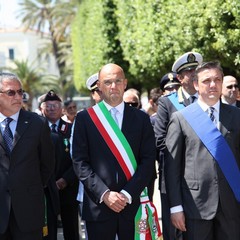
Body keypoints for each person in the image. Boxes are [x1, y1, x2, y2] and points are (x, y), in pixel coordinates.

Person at [71, 63, 160, 240]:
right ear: (100, 86)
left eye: (118, 81)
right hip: (99, 206)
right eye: (108, 82)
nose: (113, 86)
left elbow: (148, 160)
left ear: (125, 83)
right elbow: (80, 162)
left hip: (133, 205)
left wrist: (127, 194)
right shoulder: (85, 119)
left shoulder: (141, 118)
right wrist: (105, 194)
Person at [165, 61, 240, 240]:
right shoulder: (181, 119)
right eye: (206, 81)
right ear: (196, 85)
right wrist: (175, 207)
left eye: (217, 80)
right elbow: (172, 168)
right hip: (195, 205)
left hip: (231, 205)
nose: (213, 85)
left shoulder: (237, 116)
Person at [154, 52, 203, 240]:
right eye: (188, 72)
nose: (193, 74)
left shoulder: (207, 101)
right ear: (180, 78)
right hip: (175, 176)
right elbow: (160, 141)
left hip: (203, 177)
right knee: (175, 232)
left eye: (196, 70)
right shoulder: (167, 103)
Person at [0, 73, 54, 240]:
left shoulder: (37, 123)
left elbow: (48, 164)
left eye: (20, 92)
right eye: (11, 92)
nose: (18, 97)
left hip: (28, 211)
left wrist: (29, 187)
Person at [40, 90, 79, 240]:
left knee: (71, 228)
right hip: (46, 188)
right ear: (42, 108)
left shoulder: (72, 129)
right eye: (48, 106)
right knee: (48, 230)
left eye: (55, 105)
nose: (51, 109)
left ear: (61, 108)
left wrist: (65, 180)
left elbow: (78, 158)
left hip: (68, 187)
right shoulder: (36, 129)